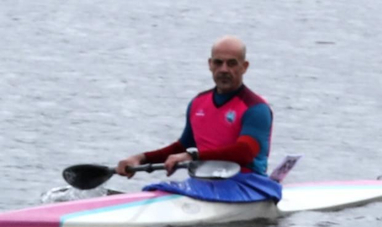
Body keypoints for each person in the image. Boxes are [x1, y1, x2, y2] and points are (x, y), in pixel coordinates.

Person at [111, 37, 279, 202]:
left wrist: (192, 156)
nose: (224, 69)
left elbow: (244, 152)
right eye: (218, 62)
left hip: (247, 185)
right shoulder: (198, 103)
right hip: (204, 183)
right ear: (210, 64)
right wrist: (141, 159)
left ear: (244, 67)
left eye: (232, 63)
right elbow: (182, 147)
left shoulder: (256, 108)